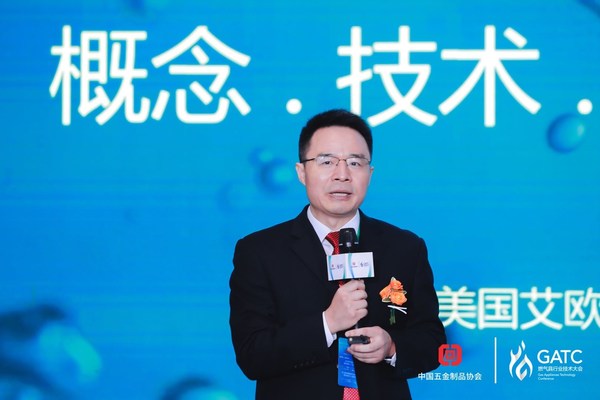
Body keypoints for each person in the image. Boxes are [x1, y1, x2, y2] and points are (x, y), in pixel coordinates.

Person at [229, 109, 446, 400]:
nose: (342, 175)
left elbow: (432, 342)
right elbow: (252, 355)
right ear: (301, 172)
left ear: (370, 173)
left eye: (355, 163)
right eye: (327, 161)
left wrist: (392, 347)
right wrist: (328, 323)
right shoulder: (259, 251)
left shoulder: (404, 247)